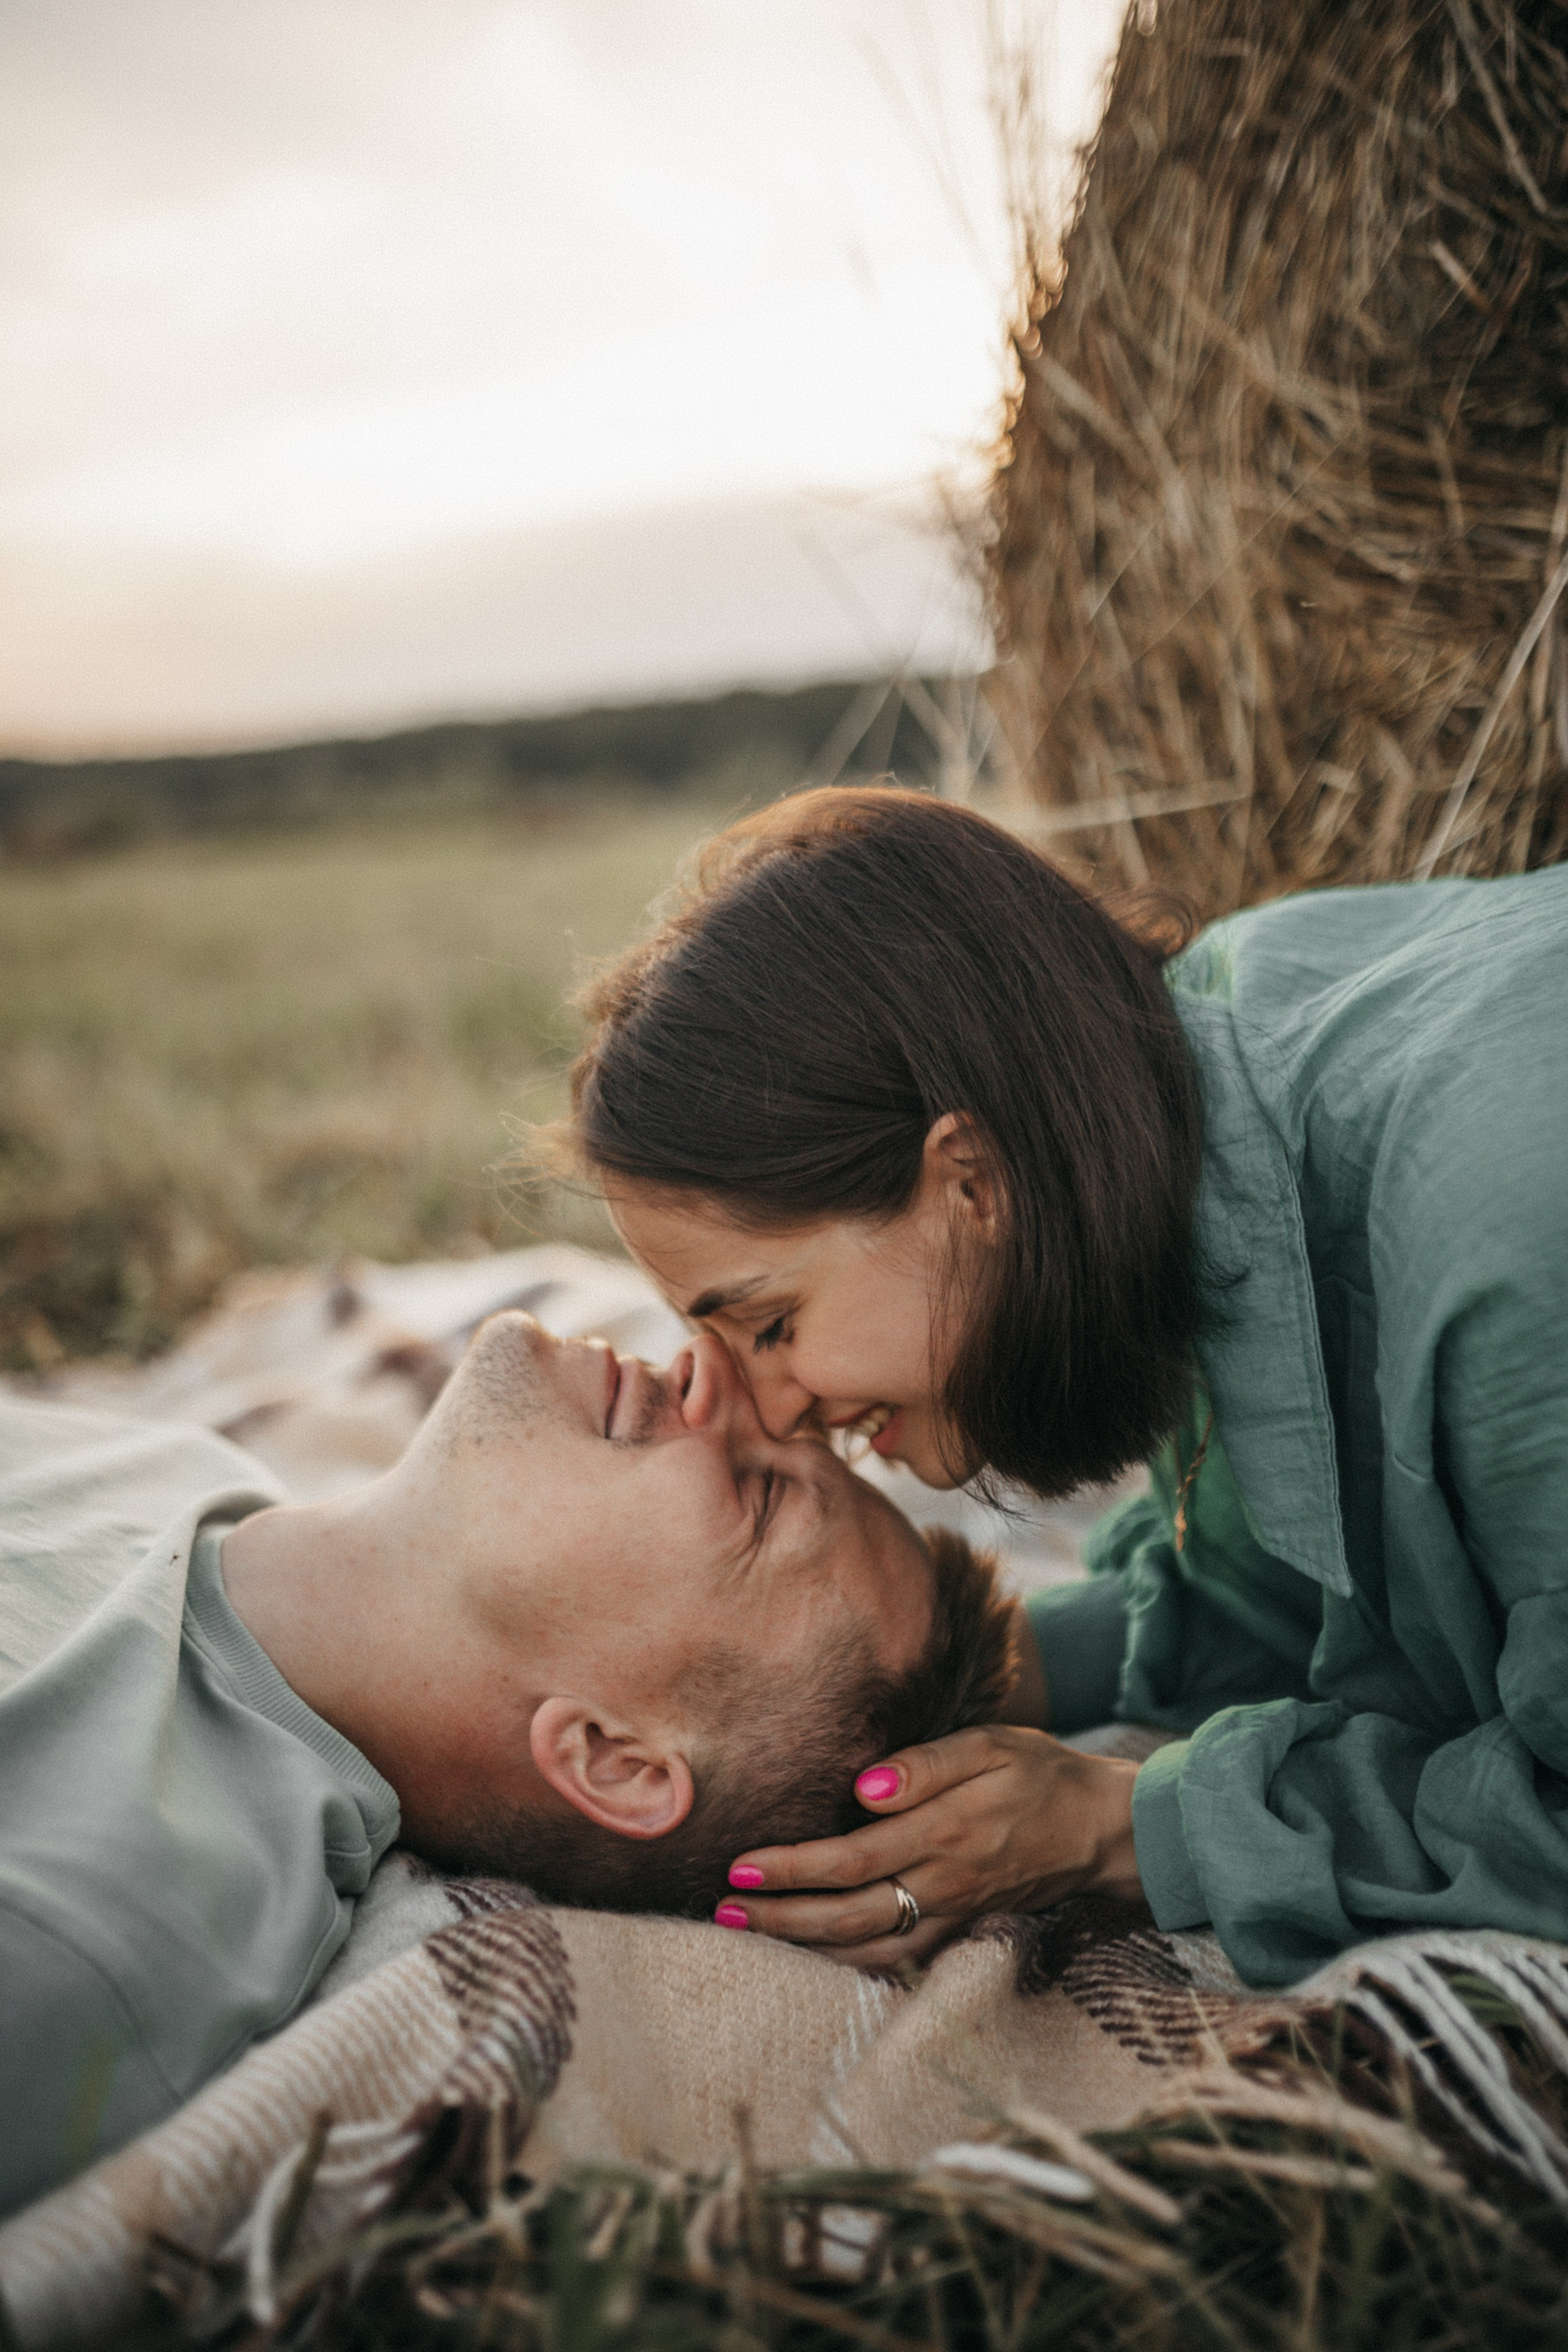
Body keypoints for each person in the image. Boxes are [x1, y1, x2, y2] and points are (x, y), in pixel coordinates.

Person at [564, 782, 1568, 1987]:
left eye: (773, 1322)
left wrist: (1122, 1830)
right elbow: (1316, 1568)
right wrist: (938, 1689)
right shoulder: (1195, 1064)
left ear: (971, 1181)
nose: (777, 1415)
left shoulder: (1507, 1260)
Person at [0, 1310, 1013, 2219]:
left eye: (759, 1495)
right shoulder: (171, 1466)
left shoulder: (98, 1919)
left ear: (613, 1759)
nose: (709, 1361)